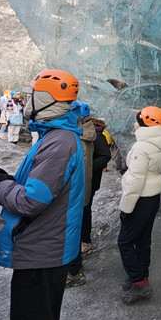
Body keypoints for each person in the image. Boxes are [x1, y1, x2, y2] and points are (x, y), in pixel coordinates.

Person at [0, 69, 85, 320]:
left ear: (47, 100)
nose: (27, 101)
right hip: (41, 249)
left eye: (33, 94)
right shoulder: (55, 136)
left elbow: (32, 199)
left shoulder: (61, 142)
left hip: (44, 254)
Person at [118, 106, 161, 304]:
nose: (134, 123)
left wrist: (126, 209)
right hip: (152, 198)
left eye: (138, 120)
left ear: (147, 123)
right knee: (142, 239)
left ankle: (139, 283)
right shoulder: (157, 145)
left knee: (124, 241)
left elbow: (135, 182)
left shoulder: (141, 147)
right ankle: (141, 275)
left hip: (139, 199)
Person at [66, 116, 110, 287]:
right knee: (83, 212)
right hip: (84, 180)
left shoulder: (97, 136)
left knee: (84, 211)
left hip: (89, 180)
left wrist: (88, 166)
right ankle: (84, 243)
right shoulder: (80, 134)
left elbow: (105, 156)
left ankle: (85, 242)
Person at [65, 102, 96, 288]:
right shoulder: (84, 135)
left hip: (75, 192)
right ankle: (73, 267)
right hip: (81, 191)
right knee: (74, 226)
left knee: (72, 228)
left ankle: (73, 271)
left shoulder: (80, 140)